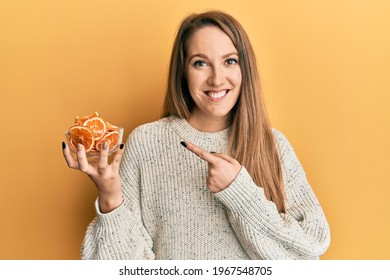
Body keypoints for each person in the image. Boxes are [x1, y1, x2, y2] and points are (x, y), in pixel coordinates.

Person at [62, 10, 330, 260]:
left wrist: (239, 193)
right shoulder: (146, 142)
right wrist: (110, 198)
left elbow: (309, 251)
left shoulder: (272, 145)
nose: (216, 78)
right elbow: (123, 266)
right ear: (183, 72)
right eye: (200, 63)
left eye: (230, 61)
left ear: (244, 69)